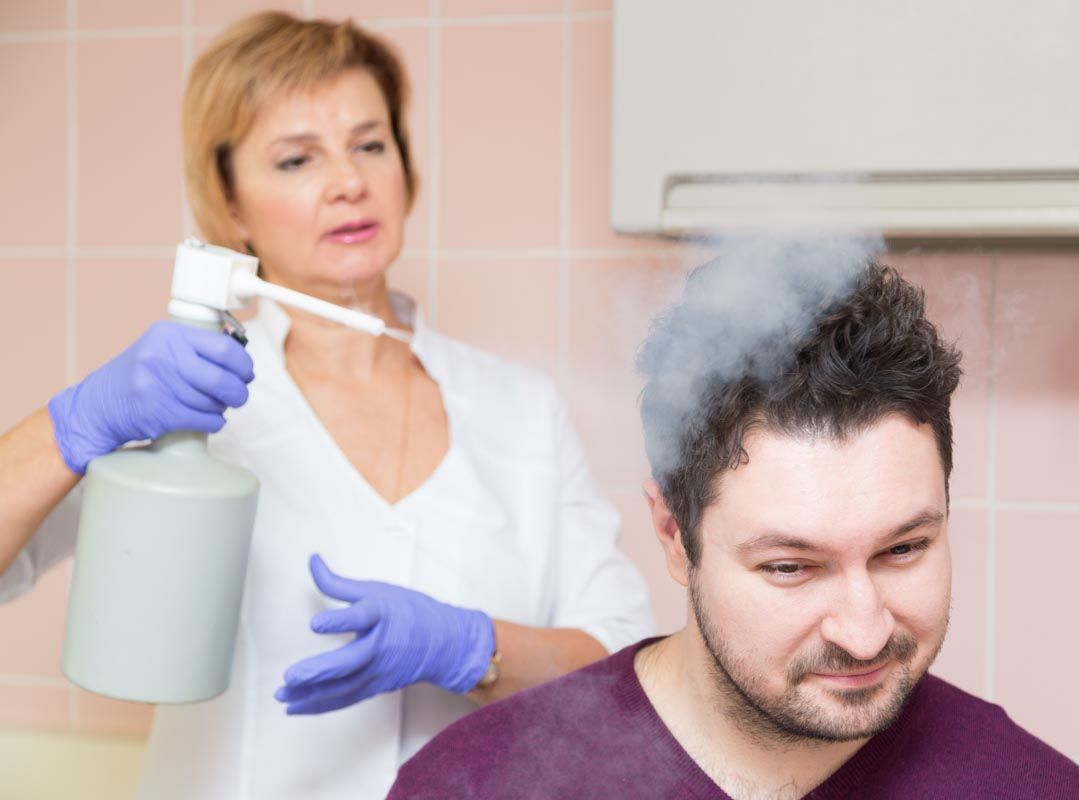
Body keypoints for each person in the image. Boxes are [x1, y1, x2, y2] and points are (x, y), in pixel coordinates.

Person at [0, 12, 652, 799]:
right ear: (229, 203)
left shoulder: (522, 411)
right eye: (296, 158)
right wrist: (74, 424)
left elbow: (625, 671)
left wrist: (476, 649)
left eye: (370, 145)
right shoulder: (179, 400)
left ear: (405, 168)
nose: (348, 181)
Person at [386, 246, 1079, 799]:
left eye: (903, 549)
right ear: (674, 535)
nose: (863, 632)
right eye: (791, 567)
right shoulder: (479, 784)